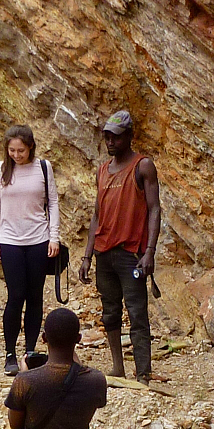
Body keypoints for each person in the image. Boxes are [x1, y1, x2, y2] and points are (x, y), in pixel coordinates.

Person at [78, 109, 161, 381]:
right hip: (104, 252)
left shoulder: (143, 166)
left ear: (129, 137)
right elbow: (97, 215)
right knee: (110, 312)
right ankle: (118, 367)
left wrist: (149, 251)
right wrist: (87, 256)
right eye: (107, 137)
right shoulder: (102, 171)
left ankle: (144, 372)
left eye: (115, 137)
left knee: (137, 312)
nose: (110, 142)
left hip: (131, 253)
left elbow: (154, 209)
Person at [0, 125, 60, 377]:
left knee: (35, 296)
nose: (16, 155)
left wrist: (54, 237)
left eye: (21, 150)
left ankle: (29, 351)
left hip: (38, 239)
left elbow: (52, 203)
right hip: (10, 240)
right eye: (12, 151)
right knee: (16, 295)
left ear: (30, 147)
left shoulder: (43, 167)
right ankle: (10, 352)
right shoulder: (0, 170)